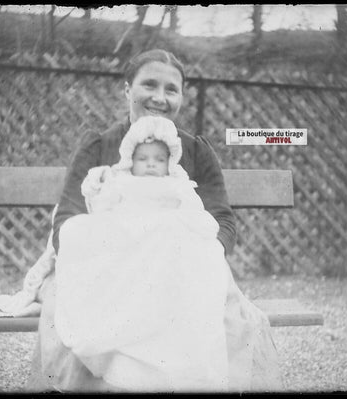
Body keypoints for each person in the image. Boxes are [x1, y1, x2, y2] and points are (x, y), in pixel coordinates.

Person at [24, 48, 283, 392]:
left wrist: (190, 258)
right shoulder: (99, 146)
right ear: (127, 89)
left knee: (229, 322)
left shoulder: (195, 151)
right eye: (149, 85)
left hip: (179, 272)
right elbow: (68, 219)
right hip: (102, 272)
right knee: (81, 325)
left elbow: (222, 220)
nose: (160, 98)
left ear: (181, 97)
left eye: (171, 89)